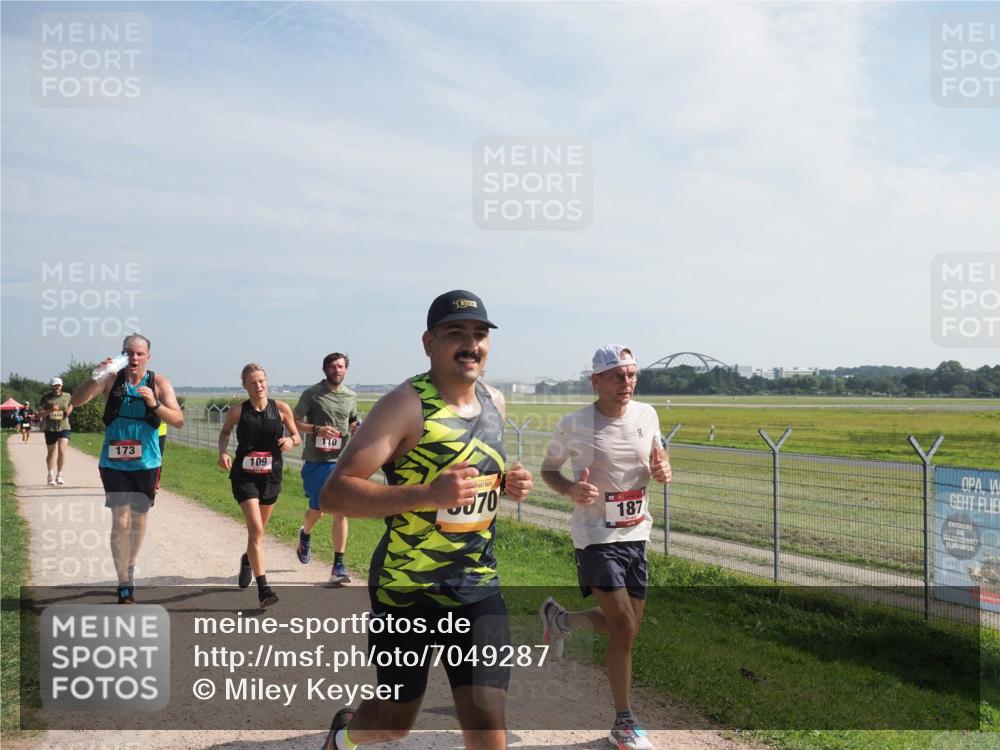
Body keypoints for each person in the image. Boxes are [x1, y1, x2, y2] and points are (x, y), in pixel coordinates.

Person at [319, 290, 533, 750]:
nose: (470, 345)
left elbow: (473, 477)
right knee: (394, 722)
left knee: (487, 719)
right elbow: (335, 493)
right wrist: (427, 494)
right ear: (429, 342)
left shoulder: (495, 402)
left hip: (477, 581)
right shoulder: (404, 405)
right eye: (456, 333)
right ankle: (344, 736)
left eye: (479, 334)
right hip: (407, 588)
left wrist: (506, 483)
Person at [539, 345, 672, 750]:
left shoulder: (647, 414)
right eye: (617, 376)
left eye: (631, 375)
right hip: (596, 535)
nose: (626, 383)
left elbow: (659, 456)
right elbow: (549, 470)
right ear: (596, 381)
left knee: (626, 627)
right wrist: (571, 490)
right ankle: (624, 721)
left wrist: (664, 468)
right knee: (624, 625)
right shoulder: (574, 423)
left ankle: (562, 621)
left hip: (636, 533)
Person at [71, 334, 184, 604]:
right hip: (114, 463)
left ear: (148, 357)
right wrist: (96, 376)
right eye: (128, 352)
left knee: (138, 520)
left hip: (147, 463)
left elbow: (178, 420)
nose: (134, 358)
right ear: (123, 354)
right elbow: (76, 400)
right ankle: (123, 581)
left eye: (139, 353)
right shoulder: (111, 379)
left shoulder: (159, 383)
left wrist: (154, 404)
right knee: (120, 520)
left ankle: (130, 565)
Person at [217, 363, 301, 609]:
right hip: (244, 476)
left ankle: (247, 559)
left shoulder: (281, 408)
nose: (259, 386)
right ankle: (264, 589)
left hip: (271, 476)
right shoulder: (237, 412)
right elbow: (224, 433)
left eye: (262, 381)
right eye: (253, 382)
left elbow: (297, 436)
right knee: (255, 529)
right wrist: (223, 452)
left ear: (267, 382)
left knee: (258, 533)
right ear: (245, 386)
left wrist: (290, 440)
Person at [292, 352, 359, 585]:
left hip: (341, 462)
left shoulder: (351, 396)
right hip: (317, 462)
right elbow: (294, 421)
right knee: (318, 511)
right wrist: (316, 430)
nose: (337, 370)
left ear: (346, 370)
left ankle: (338, 566)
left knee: (341, 511)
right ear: (325, 370)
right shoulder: (312, 394)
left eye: (340, 366)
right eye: (332, 367)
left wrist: (355, 427)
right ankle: (305, 534)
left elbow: (352, 420)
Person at [39, 377, 74, 486]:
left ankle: (59, 475)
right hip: (50, 428)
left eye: (58, 385)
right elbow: (40, 414)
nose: (57, 387)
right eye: (55, 385)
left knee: (62, 450)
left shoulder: (67, 396)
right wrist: (51, 410)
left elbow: (72, 404)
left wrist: (69, 410)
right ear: (52, 386)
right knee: (51, 452)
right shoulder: (46, 398)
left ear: (61, 386)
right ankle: (50, 475)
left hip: (64, 426)